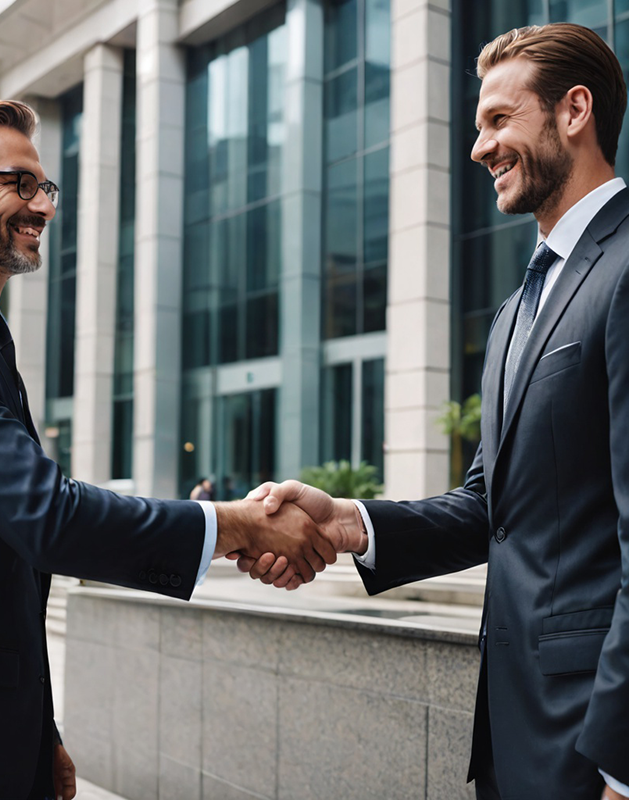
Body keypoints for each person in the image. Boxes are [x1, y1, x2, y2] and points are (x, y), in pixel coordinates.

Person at [0, 99, 337, 800]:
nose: (43, 206)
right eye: (20, 183)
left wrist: (42, 732)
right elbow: (49, 520)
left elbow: (1, 562)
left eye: (47, 188)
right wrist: (239, 525)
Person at [240, 22, 629, 800]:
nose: (480, 147)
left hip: (594, 744)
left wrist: (622, 766)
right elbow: (492, 506)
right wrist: (349, 521)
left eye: (498, 120)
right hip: (514, 736)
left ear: (574, 111)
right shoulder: (517, 308)